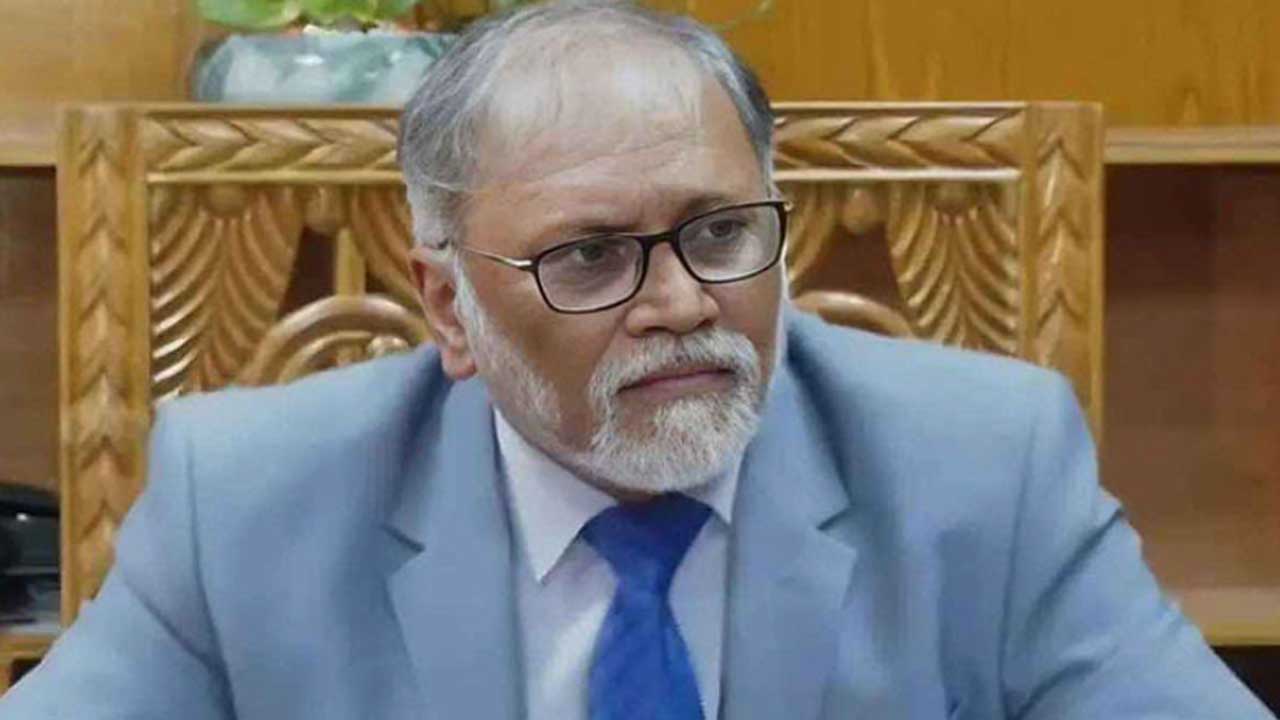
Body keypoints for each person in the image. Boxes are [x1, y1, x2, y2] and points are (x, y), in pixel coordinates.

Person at [2, 1, 1272, 718]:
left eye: (720, 233)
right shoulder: (246, 500)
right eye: (589, 256)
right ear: (448, 308)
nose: (679, 303)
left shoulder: (987, 467)